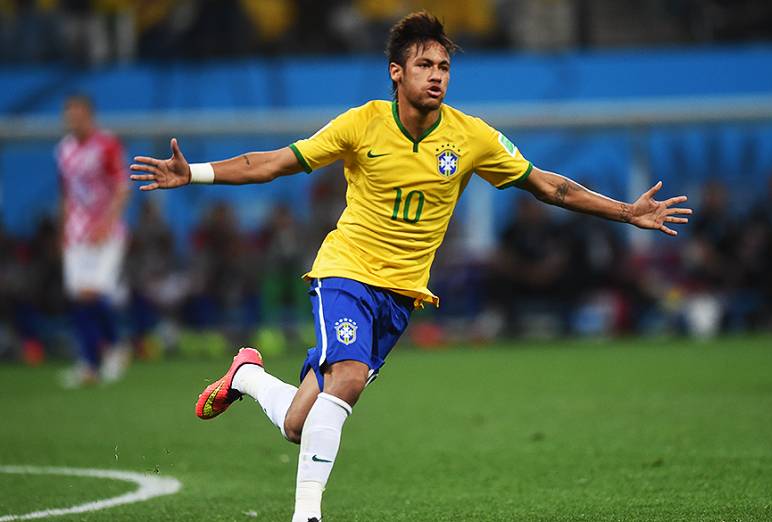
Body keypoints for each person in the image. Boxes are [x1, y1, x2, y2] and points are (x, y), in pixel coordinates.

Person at [130, 12, 691, 521]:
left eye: (444, 65)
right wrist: (195, 173)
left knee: (301, 425)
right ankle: (307, 517)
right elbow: (272, 163)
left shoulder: (471, 137)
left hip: (400, 297)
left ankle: (246, 374)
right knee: (345, 381)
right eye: (424, 64)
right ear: (396, 73)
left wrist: (627, 212)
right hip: (345, 273)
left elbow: (551, 186)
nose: (437, 75)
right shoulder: (362, 124)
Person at [56, 93, 131, 387]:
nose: (73, 120)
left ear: (90, 115)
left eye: (78, 114)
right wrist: (63, 228)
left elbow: (122, 187)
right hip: (76, 233)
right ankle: (90, 362)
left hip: (105, 233)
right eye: (69, 115)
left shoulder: (107, 144)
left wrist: (107, 223)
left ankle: (113, 347)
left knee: (94, 293)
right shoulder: (63, 150)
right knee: (78, 296)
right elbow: (65, 194)